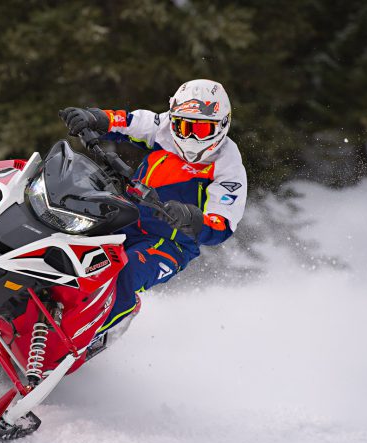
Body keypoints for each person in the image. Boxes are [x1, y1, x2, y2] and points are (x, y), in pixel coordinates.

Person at [59, 79, 247, 352]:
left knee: (123, 274)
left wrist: (194, 218)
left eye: (201, 129)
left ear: (221, 125)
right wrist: (94, 117)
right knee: (70, 239)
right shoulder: (165, 128)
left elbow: (223, 224)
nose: (190, 138)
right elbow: (129, 122)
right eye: (184, 127)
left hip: (172, 243)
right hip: (127, 215)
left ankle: (81, 341)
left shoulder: (227, 166)